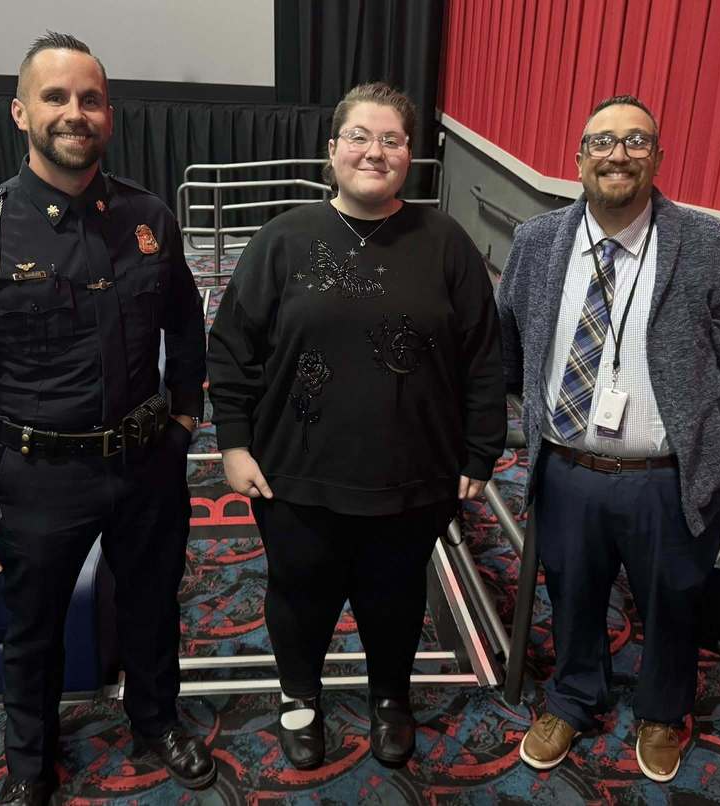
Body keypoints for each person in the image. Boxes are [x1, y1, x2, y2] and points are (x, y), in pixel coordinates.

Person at [0, 32, 214, 805]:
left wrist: (185, 418)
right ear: (21, 112)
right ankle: (29, 766)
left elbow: (186, 325)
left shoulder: (149, 216)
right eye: (55, 97)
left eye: (90, 99)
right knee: (35, 630)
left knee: (153, 606)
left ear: (108, 115)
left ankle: (156, 720)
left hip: (147, 461)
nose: (74, 112)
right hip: (39, 476)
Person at [207, 82, 506, 769]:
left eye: (391, 139)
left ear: (410, 154)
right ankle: (299, 698)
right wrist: (234, 443)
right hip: (294, 473)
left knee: (393, 598)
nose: (375, 152)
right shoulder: (283, 240)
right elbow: (231, 348)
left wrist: (481, 450)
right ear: (332, 150)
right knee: (299, 594)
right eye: (360, 137)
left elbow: (483, 357)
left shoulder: (446, 244)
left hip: (415, 474)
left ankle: (390, 698)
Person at [496, 95, 720, 782]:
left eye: (636, 141)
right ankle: (572, 696)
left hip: (668, 475)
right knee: (572, 593)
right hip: (567, 466)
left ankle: (661, 711)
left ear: (657, 156)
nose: (618, 154)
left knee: (674, 599)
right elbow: (508, 338)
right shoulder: (537, 242)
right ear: (579, 159)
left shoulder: (710, 246)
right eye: (602, 141)